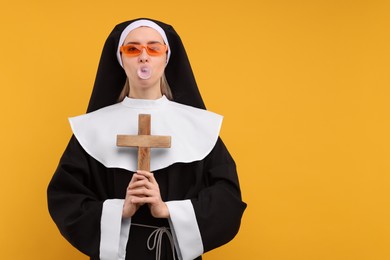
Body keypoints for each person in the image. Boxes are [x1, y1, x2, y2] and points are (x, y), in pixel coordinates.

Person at [47, 18, 246, 260]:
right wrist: (120, 209)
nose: (144, 56)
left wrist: (168, 210)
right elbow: (65, 200)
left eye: (154, 48)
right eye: (132, 49)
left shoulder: (199, 126)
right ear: (121, 59)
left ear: (166, 57)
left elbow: (228, 201)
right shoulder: (93, 129)